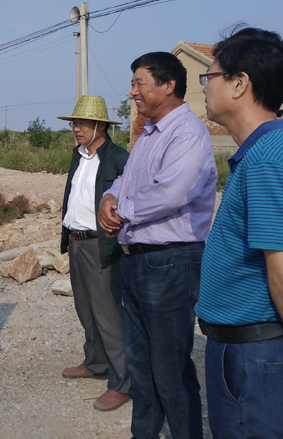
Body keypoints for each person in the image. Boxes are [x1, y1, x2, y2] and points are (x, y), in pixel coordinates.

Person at [195, 26, 283, 438]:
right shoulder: (264, 153)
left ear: (239, 84)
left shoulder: (267, 161)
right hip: (252, 348)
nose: (204, 87)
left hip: (255, 357)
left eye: (210, 76)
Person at [97, 52, 217, 439]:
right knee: (143, 365)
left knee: (169, 368)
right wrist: (110, 197)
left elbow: (171, 193)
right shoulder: (150, 132)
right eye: (132, 84)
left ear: (168, 86)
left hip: (170, 262)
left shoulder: (187, 133)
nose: (132, 92)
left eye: (139, 83)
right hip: (139, 261)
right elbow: (127, 181)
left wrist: (121, 212)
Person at [57, 95, 132, 411]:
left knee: (108, 314)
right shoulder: (78, 156)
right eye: (74, 123)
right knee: (85, 307)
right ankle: (96, 362)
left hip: (101, 245)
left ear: (100, 125)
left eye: (82, 123)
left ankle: (123, 381)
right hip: (77, 243)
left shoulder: (118, 158)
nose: (77, 129)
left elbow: (131, 200)